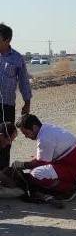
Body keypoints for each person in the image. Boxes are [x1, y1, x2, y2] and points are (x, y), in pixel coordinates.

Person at [14, 114, 76, 196]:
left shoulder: (44, 138)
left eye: (26, 133)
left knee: (36, 174)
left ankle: (71, 188)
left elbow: (41, 163)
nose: (26, 136)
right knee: (36, 169)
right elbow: (43, 159)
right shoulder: (47, 128)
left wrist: (21, 165)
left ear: (34, 127)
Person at [0, 23, 32, 170]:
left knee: (6, 140)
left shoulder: (17, 58)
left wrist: (27, 102)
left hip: (7, 107)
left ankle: (3, 174)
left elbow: (24, 82)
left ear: (7, 40)